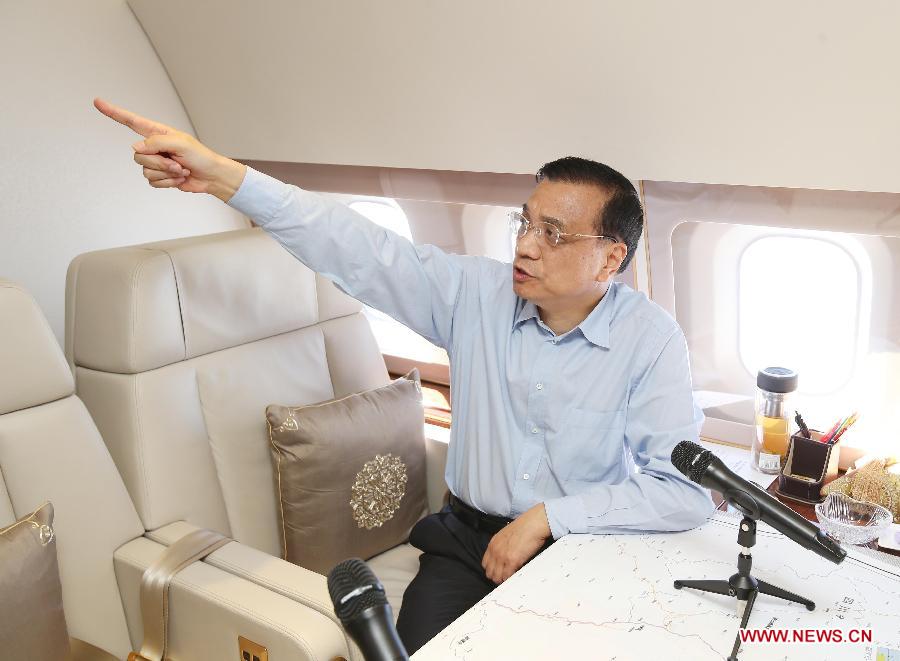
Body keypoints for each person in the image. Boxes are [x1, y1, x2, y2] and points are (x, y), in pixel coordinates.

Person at [94, 98, 714, 653]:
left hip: (578, 549)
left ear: (610, 258)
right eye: (525, 223)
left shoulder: (651, 340)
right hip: (465, 544)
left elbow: (682, 491)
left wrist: (551, 517)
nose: (526, 246)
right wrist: (227, 179)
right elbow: (357, 246)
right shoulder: (474, 294)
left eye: (553, 234)